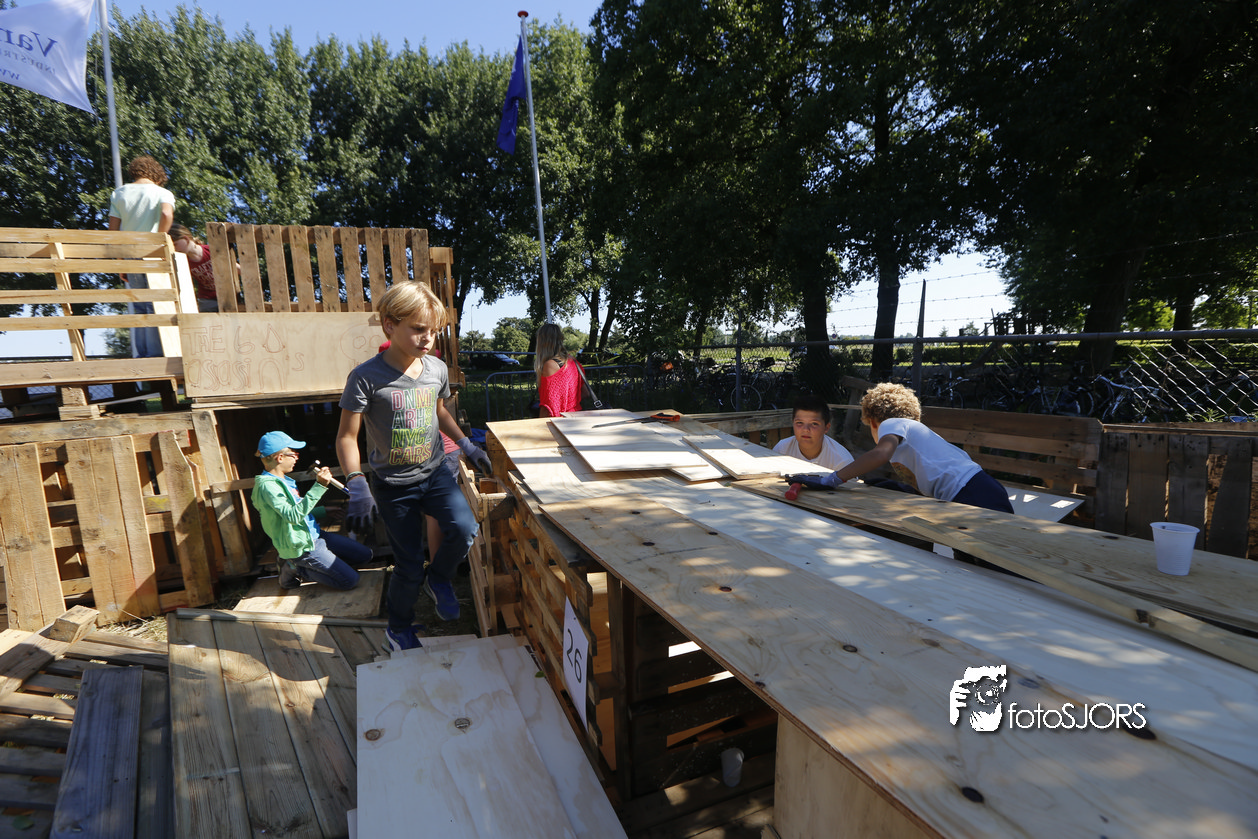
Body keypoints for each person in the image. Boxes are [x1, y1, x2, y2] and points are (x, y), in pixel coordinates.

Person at [336, 282, 492, 652]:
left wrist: (467, 444)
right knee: (407, 565)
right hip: (393, 485)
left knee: (465, 528)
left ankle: (438, 579)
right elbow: (346, 436)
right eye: (419, 329)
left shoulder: (436, 369)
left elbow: (440, 412)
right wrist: (356, 481)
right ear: (389, 325)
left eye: (433, 330)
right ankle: (398, 628)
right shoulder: (366, 377)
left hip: (435, 473)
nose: (428, 338)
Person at [787, 382, 1014, 514]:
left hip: (972, 493)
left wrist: (833, 479)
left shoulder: (892, 424)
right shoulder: (913, 438)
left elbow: (880, 454)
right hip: (977, 490)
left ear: (873, 422)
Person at [251, 431, 368, 591]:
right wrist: (319, 486)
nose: (296, 458)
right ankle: (295, 568)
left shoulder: (284, 480)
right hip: (303, 546)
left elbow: (295, 512)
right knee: (350, 581)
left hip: (315, 535)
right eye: (294, 454)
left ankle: (319, 564)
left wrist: (322, 511)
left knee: (364, 555)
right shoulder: (268, 487)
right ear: (280, 458)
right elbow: (292, 516)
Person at [107, 156, 175, 357]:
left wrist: (120, 262)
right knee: (154, 305)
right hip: (153, 254)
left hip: (129, 254)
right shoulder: (163, 193)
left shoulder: (119, 193)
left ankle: (142, 355)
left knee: (139, 305)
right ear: (157, 175)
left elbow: (113, 231)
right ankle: (156, 355)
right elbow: (166, 215)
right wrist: (158, 242)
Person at [772, 395, 854, 470]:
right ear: (793, 423)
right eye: (799, 423)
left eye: (814, 424)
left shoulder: (842, 461)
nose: (806, 429)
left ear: (826, 428)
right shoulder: (782, 450)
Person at [533, 322, 586, 417]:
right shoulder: (573, 361)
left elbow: (548, 407)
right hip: (576, 416)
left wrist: (540, 424)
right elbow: (585, 393)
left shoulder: (550, 365)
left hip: (559, 421)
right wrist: (568, 402)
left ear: (542, 342)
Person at [168, 223, 218, 312]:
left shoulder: (210, 250)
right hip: (207, 298)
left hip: (227, 293)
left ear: (186, 239)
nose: (174, 249)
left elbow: (235, 268)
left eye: (175, 244)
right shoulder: (183, 261)